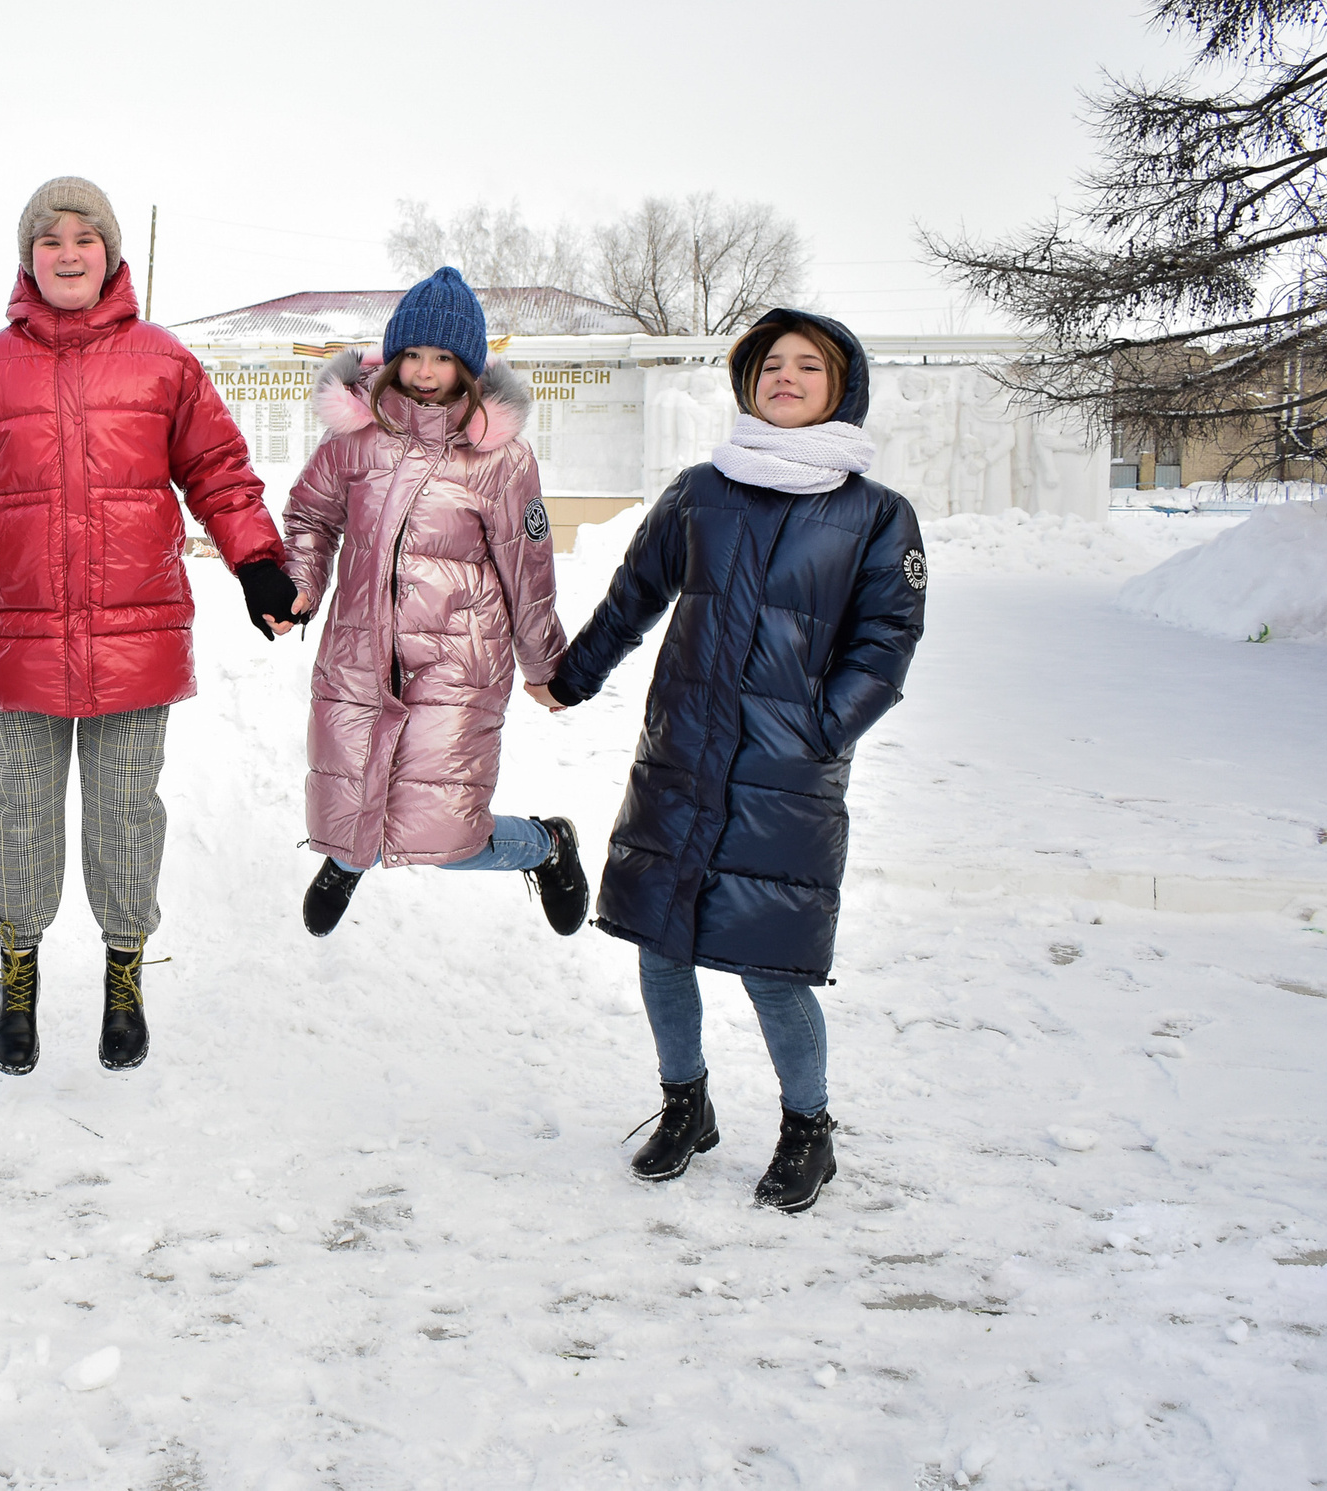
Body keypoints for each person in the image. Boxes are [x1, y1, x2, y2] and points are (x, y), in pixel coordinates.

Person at [0, 176, 298, 1075]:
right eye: (51, 238)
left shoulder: (163, 360)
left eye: (85, 235)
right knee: (24, 816)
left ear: (112, 252)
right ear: (27, 257)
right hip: (23, 636)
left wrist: (257, 559)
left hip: (134, 637)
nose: (69, 251)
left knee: (125, 815)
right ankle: (18, 970)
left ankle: (125, 972)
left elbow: (221, 473)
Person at [532, 308, 925, 1213]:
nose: (786, 378)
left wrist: (821, 731)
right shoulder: (701, 491)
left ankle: (807, 1130)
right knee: (661, 946)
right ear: (748, 381)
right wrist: (574, 676)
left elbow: (888, 642)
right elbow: (636, 594)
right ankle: (685, 1106)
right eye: (770, 365)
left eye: (808, 367)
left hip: (788, 774)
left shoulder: (874, 515)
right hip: (682, 753)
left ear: (841, 387)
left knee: (772, 964)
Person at [279, 267, 589, 938]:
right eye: (413, 354)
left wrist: (548, 667)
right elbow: (310, 516)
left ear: (468, 365)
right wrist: (302, 583)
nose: (424, 371)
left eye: (442, 357)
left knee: (447, 834)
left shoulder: (501, 460)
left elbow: (528, 572)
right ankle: (347, 858)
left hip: (457, 664)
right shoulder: (355, 439)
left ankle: (547, 845)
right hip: (359, 653)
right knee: (348, 798)